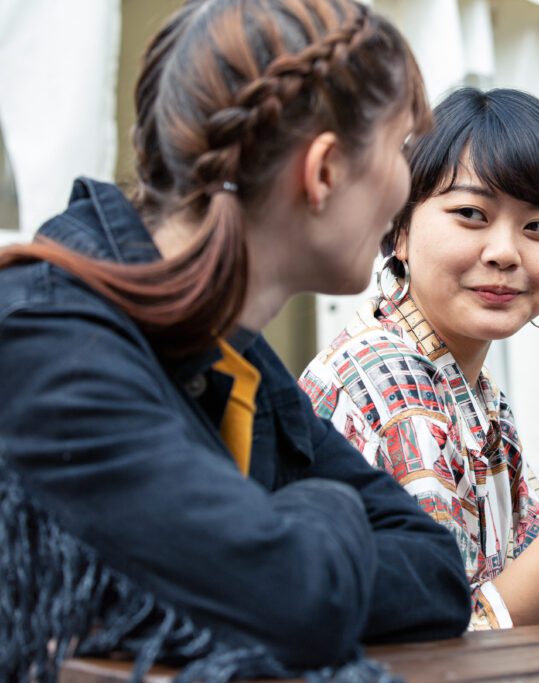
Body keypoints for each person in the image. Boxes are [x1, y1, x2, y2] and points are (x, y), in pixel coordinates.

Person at [0, 1, 472, 680]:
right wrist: (324, 503)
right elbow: (296, 597)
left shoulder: (231, 351)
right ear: (325, 172)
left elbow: (433, 568)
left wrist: (279, 531)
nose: (407, 185)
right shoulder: (45, 340)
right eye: (402, 149)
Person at [300, 87, 539, 630]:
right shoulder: (389, 379)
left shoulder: (477, 394)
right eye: (471, 213)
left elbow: (534, 590)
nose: (504, 252)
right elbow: (465, 630)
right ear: (401, 230)